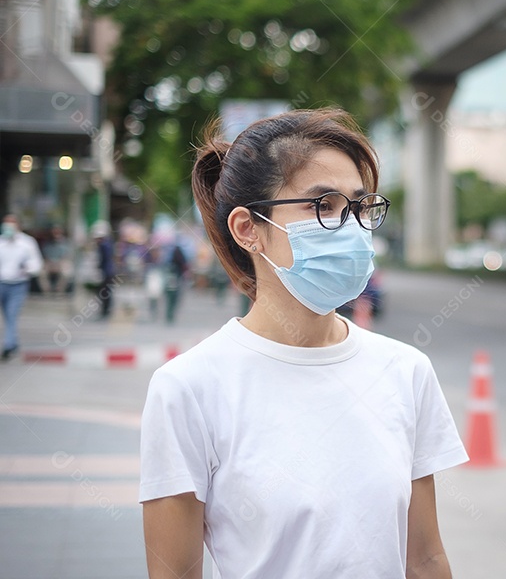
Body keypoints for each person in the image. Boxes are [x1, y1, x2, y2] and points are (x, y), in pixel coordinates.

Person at [140, 108, 467, 579]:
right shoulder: (188, 388)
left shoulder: (405, 370)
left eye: (358, 206)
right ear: (248, 229)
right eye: (323, 206)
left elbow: (426, 559)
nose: (351, 227)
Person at [0, 215, 44, 361]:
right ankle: (13, 342)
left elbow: (37, 264)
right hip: (2, 283)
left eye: (10, 225)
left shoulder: (27, 243)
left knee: (12, 314)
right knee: (7, 316)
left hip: (18, 285)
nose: (7, 228)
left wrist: (27, 269)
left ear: (17, 226)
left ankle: (8, 346)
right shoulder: (1, 242)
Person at [91, 221, 117, 319]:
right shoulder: (109, 243)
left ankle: (105, 311)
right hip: (109, 271)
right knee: (106, 292)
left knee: (104, 292)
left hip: (106, 272)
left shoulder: (104, 245)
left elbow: (103, 259)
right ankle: (106, 310)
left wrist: (98, 269)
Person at [42, 226, 72, 295]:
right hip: (50, 263)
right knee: (41, 272)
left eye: (58, 232)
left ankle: (59, 291)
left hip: (61, 263)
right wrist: (51, 264)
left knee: (66, 273)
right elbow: (46, 256)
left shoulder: (66, 243)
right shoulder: (47, 243)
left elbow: (66, 256)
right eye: (54, 232)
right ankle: (47, 291)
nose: (56, 233)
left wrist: (58, 264)